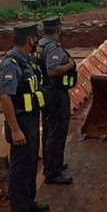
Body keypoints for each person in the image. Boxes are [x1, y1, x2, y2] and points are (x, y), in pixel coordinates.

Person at [0, 23, 49, 212]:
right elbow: (5, 98)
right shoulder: (10, 64)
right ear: (30, 40)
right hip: (20, 122)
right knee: (20, 169)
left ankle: (29, 203)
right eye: (35, 38)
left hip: (30, 120)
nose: (36, 42)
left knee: (30, 164)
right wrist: (15, 129)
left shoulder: (26, 61)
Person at [35, 16, 76, 185]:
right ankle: (53, 172)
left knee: (49, 130)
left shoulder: (41, 44)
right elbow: (52, 71)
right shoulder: (51, 46)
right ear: (58, 30)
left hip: (46, 92)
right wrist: (71, 65)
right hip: (55, 93)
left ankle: (52, 163)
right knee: (57, 131)